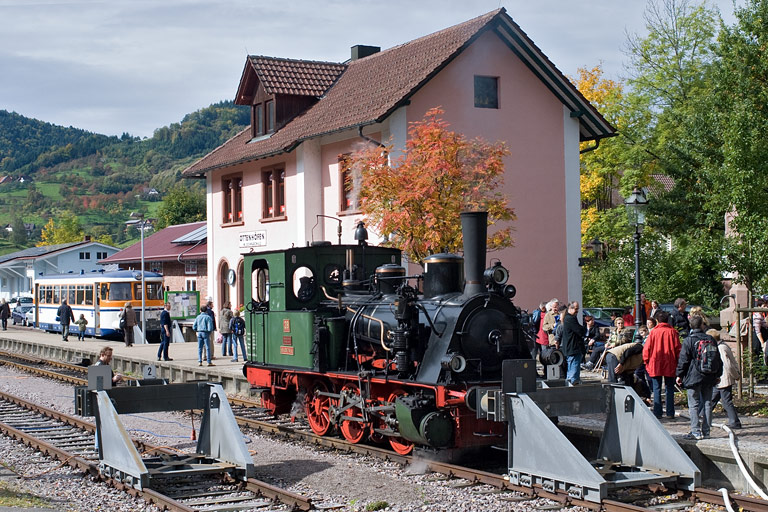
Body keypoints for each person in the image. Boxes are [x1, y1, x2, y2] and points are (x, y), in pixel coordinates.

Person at [677, 316, 722, 440]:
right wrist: (718, 374)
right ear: (702, 325)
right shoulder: (710, 339)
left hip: (693, 377)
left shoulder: (688, 341)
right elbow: (718, 359)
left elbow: (684, 360)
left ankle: (696, 432)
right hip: (709, 376)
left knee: (694, 404)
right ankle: (706, 431)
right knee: (708, 403)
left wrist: (679, 375)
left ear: (691, 326)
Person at [643, 310, 681, 419]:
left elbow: (647, 349)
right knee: (669, 388)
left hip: (655, 364)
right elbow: (678, 349)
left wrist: (646, 362)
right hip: (670, 363)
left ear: (656, 320)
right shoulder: (673, 332)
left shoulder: (653, 332)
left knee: (657, 389)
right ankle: (670, 413)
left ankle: (658, 413)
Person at [707, 329, 741, 429]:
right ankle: (703, 416)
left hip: (724, 379)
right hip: (720, 380)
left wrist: (736, 376)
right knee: (712, 399)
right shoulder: (720, 346)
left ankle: (735, 422)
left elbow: (728, 365)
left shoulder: (721, 348)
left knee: (726, 401)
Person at [561, 301, 587, 385]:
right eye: (576, 309)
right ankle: (572, 386)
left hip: (572, 347)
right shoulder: (570, 319)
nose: (577, 311)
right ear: (570, 308)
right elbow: (579, 331)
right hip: (572, 348)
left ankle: (570, 384)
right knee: (573, 371)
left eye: (578, 309)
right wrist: (585, 327)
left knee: (572, 369)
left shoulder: (570, 318)